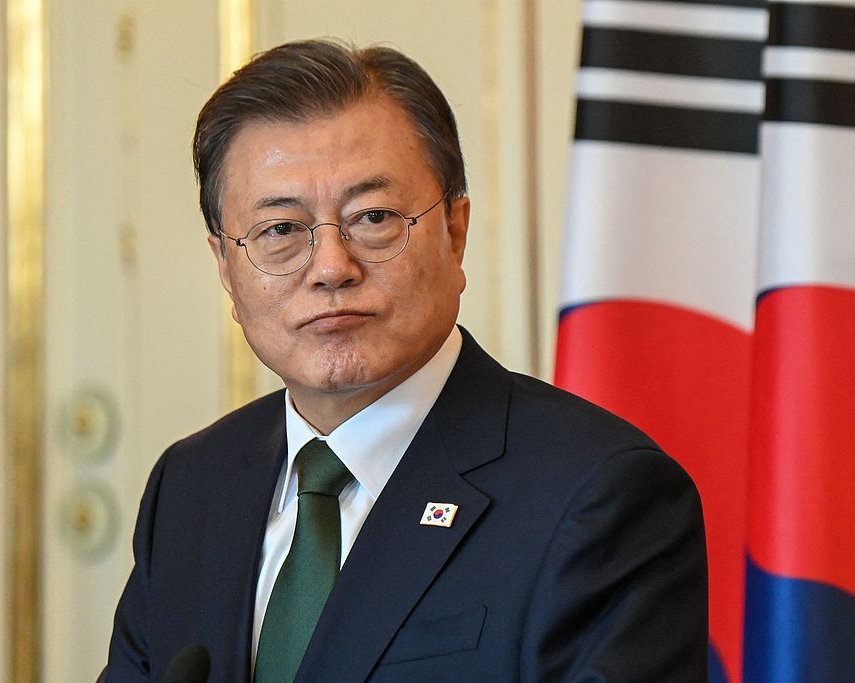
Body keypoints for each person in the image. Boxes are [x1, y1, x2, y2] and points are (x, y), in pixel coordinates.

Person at [102, 39, 707, 682]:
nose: (331, 268)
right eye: (280, 230)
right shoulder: (191, 486)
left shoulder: (598, 495)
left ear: (455, 231)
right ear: (226, 266)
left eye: (373, 217)